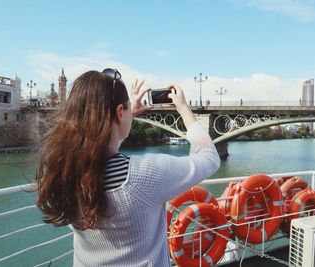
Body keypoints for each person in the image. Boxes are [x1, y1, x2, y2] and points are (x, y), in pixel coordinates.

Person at [36, 69, 220, 266]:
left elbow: (103, 155)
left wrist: (125, 114)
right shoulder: (144, 175)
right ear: (118, 113)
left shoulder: (67, 172)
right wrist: (183, 107)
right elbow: (209, 157)